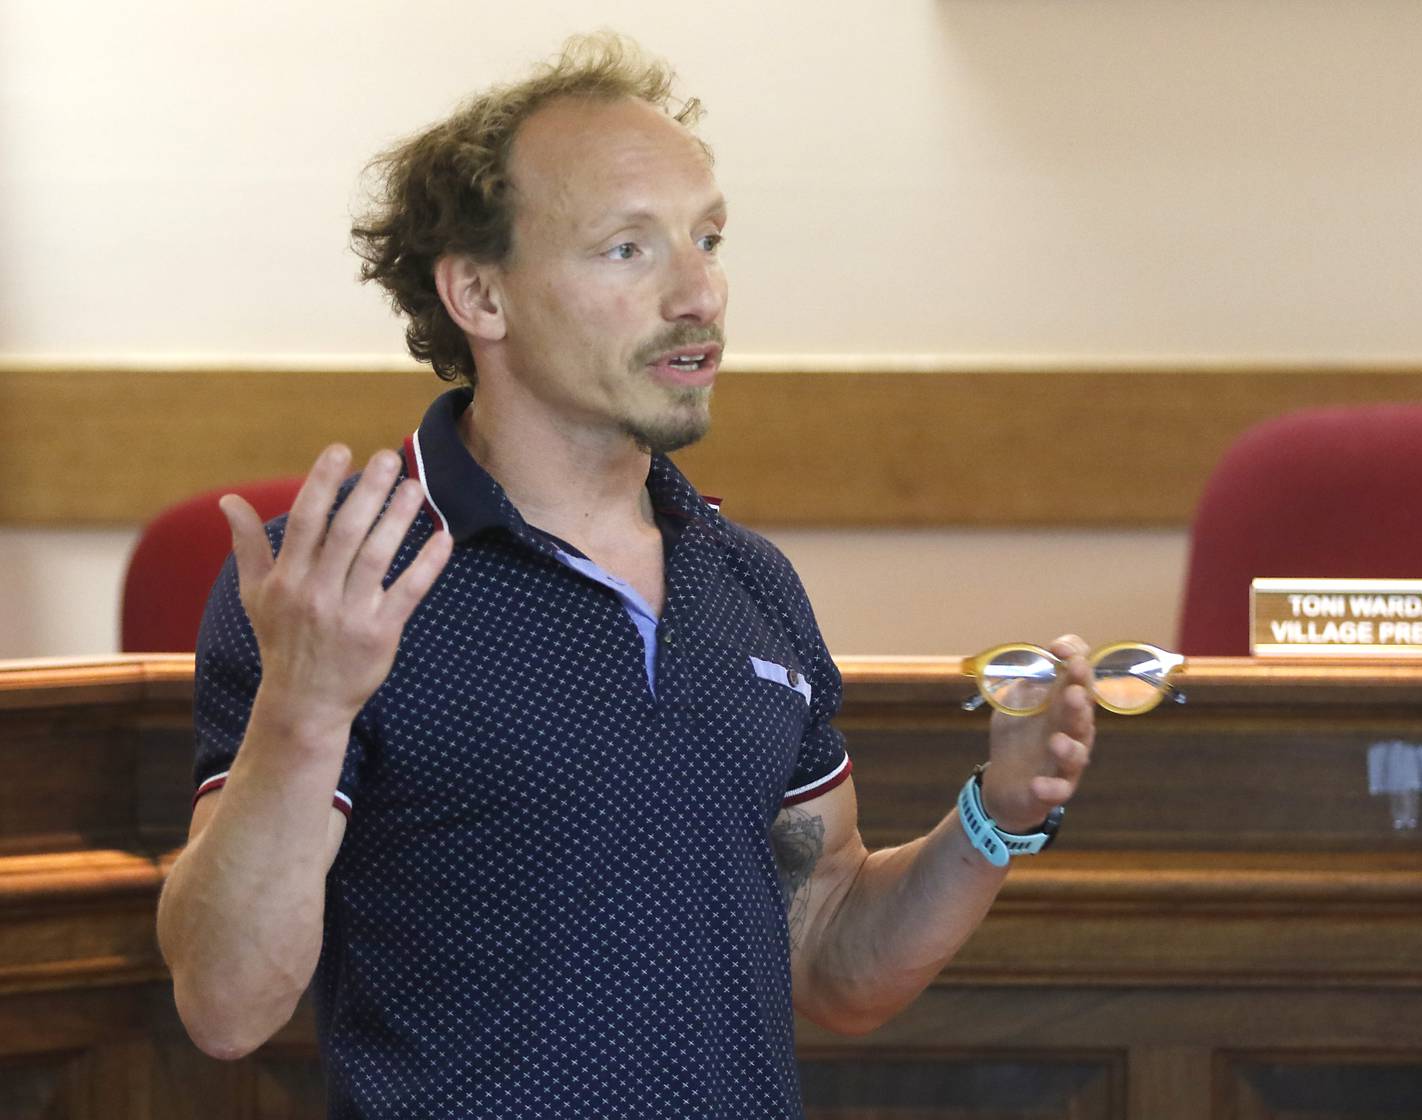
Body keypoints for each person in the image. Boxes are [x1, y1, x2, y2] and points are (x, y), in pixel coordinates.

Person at [156, 33, 1095, 1118]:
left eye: (709, 238)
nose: (700, 293)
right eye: (628, 250)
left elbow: (830, 953)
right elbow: (225, 1006)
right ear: (479, 294)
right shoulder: (341, 584)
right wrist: (304, 709)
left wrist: (999, 817)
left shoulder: (748, 581)